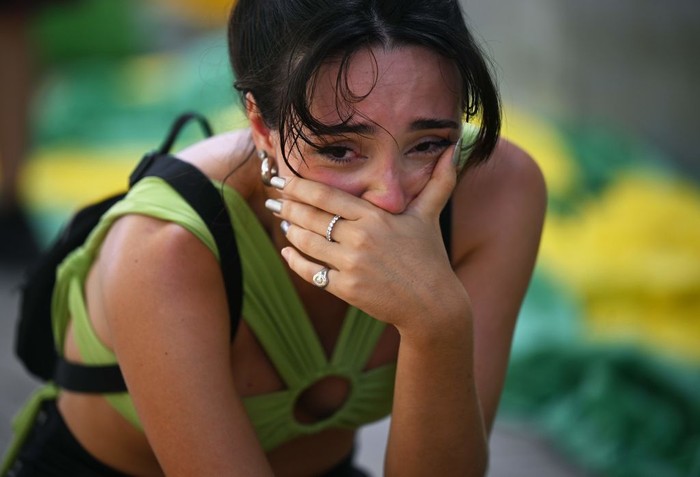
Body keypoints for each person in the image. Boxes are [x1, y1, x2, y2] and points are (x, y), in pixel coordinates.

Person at [3, 0, 546, 475]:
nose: (390, 199)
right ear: (261, 127)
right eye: (339, 150)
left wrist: (438, 323)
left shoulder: (500, 193)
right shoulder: (166, 247)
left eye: (427, 143)